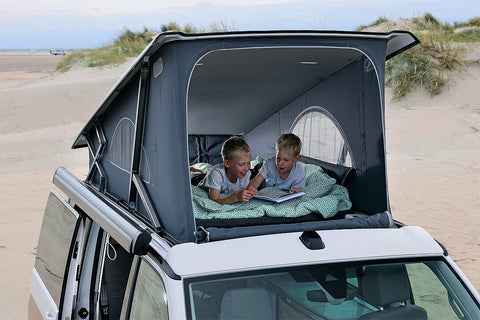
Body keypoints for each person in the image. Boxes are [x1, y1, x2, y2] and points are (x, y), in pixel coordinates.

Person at [199, 136, 256, 204]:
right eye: (241, 164)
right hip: (198, 179)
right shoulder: (217, 173)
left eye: (248, 163)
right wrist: (236, 197)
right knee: (197, 173)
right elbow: (213, 202)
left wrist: (250, 191)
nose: (246, 168)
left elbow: (243, 194)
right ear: (227, 163)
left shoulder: (246, 173)